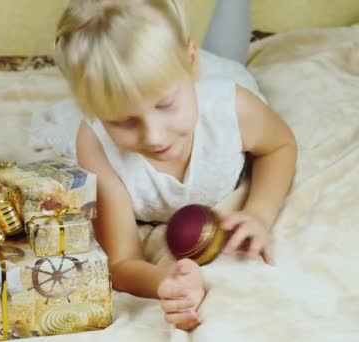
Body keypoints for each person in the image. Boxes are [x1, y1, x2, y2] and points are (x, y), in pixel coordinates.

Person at [50, 0, 297, 331]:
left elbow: (279, 146)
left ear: (190, 63)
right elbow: (122, 261)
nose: (153, 136)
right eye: (123, 121)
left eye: (165, 105)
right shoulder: (95, 144)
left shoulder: (232, 108)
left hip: (218, 74)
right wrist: (166, 283)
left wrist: (259, 214)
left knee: (228, 54)